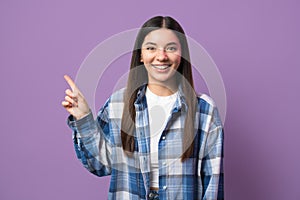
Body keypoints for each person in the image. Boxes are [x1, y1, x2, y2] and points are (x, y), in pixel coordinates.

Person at [62, 16, 224, 200]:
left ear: (182, 55)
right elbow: (100, 165)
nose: (161, 56)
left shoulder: (204, 111)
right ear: (141, 54)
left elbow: (213, 187)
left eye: (171, 48)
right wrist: (84, 118)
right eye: (151, 48)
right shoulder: (118, 104)